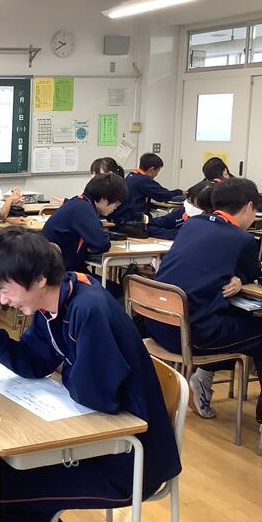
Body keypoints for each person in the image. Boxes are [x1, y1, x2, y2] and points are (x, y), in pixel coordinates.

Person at [0, 227, 181, 521]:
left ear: (39, 278)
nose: (4, 301)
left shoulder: (89, 308)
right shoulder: (52, 305)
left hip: (127, 458)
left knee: (4, 490)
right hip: (95, 438)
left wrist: (66, 368)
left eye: (6, 289)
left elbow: (98, 396)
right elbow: (35, 364)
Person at [151, 178, 262, 422]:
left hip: (159, 324)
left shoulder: (192, 225)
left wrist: (236, 278)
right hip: (191, 336)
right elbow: (253, 273)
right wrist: (241, 278)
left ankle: (203, 379)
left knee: (236, 314)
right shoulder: (242, 239)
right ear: (248, 207)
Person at [41, 173, 125, 273]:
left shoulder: (79, 202)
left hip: (60, 269)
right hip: (61, 274)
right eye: (116, 203)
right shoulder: (83, 208)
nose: (115, 208)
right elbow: (102, 243)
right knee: (111, 284)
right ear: (104, 198)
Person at [108, 153, 183, 228]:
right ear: (151, 169)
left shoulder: (131, 176)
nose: (157, 174)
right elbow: (164, 195)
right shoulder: (143, 180)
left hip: (125, 217)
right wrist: (180, 192)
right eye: (157, 171)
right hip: (134, 220)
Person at [147, 179, 212, 240]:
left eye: (195, 205)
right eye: (189, 201)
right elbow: (149, 225)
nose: (190, 206)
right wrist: (177, 234)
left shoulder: (212, 222)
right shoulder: (181, 212)